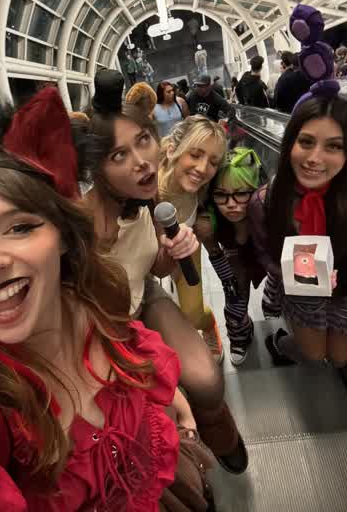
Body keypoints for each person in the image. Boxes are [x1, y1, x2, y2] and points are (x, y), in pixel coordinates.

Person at [0, 88, 200, 510]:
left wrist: (168, 403)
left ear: (64, 237)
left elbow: (131, 353)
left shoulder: (92, 304)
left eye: (18, 228)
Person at [80, 68, 249, 474]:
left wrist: (175, 250)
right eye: (118, 155)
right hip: (101, 326)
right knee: (153, 413)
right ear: (97, 167)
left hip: (145, 295)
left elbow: (155, 266)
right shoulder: (81, 224)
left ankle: (221, 432)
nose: (141, 162)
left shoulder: (148, 196)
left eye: (143, 141)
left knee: (207, 381)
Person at [249, 5, 347, 367]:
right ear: (290, 143)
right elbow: (266, 251)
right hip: (302, 291)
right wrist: (293, 273)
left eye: (334, 146)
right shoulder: (268, 200)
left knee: (341, 357)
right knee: (315, 355)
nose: (315, 158)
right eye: (306, 142)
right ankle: (285, 341)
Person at [158, 116, 227, 360]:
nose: (202, 168)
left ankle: (209, 326)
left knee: (193, 313)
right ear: (172, 150)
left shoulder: (202, 189)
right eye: (195, 155)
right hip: (150, 257)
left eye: (213, 162)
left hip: (187, 251)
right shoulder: (148, 187)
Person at [202, 148, 265, 365]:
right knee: (234, 297)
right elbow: (215, 253)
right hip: (234, 255)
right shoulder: (209, 219)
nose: (231, 203)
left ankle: (271, 299)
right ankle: (239, 335)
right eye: (221, 194)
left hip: (267, 254)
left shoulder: (266, 208)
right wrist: (232, 287)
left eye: (241, 193)